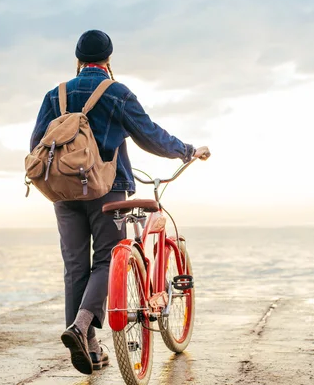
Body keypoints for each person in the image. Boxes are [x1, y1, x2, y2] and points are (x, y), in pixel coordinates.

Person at [29, 29, 210, 375]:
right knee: (106, 261)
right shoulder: (116, 93)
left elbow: (37, 141)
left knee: (75, 267)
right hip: (106, 190)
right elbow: (151, 136)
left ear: (78, 60)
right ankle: (82, 328)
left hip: (63, 192)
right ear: (108, 60)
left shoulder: (56, 95)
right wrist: (187, 151)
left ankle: (90, 348)